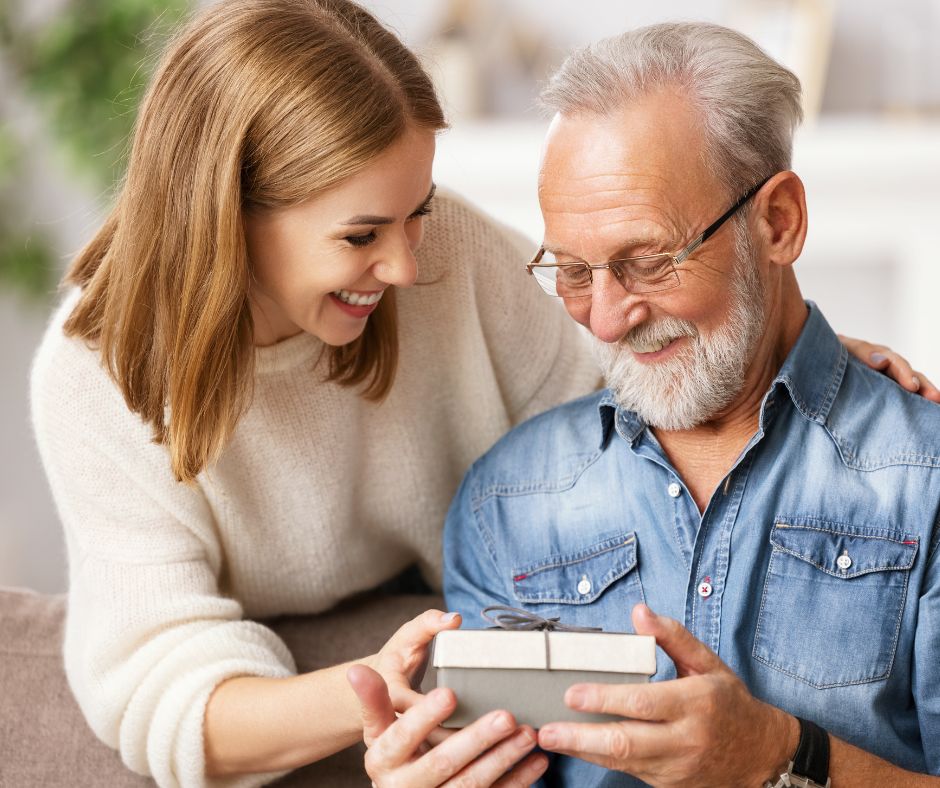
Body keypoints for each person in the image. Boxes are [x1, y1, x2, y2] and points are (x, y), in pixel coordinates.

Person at [28, 2, 930, 785]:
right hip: (309, 690)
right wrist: (403, 693)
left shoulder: (449, 260)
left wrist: (795, 356)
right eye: (361, 235)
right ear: (227, 218)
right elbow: (162, 688)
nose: (411, 265)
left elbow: (625, 377)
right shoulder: (95, 379)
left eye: (418, 212)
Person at [436, 21, 940, 788]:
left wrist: (780, 756)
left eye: (648, 262)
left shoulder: (925, 483)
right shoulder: (503, 503)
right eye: (573, 271)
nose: (605, 319)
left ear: (778, 222)